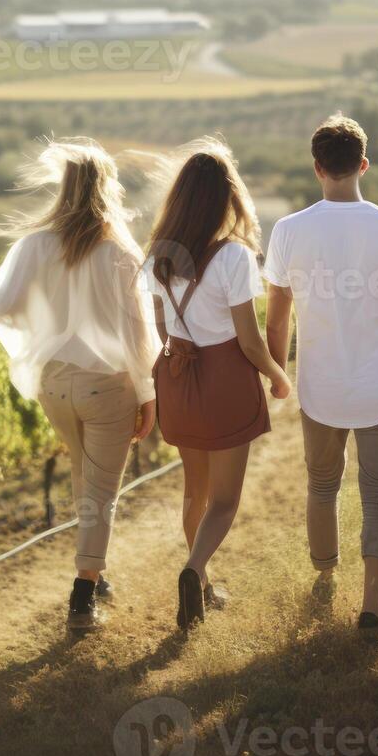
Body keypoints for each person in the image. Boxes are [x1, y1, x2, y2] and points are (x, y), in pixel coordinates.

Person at [263, 113, 378, 637]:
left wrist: (276, 374)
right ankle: (371, 606)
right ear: (363, 164)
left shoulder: (289, 231)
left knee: (322, 485)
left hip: (320, 389)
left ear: (317, 167)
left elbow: (277, 317)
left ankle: (324, 575)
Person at [0, 140, 159, 633]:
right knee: (102, 490)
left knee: (85, 475)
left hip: (54, 384)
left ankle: (94, 575)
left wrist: (42, 328)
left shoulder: (34, 245)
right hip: (107, 387)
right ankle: (83, 595)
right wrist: (148, 395)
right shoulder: (120, 252)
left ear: (64, 188)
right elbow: (139, 332)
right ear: (108, 189)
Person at [142, 140, 292, 632]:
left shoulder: (158, 256)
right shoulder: (234, 257)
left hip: (179, 379)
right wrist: (277, 374)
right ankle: (194, 571)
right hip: (225, 379)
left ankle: (201, 583)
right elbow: (249, 341)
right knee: (225, 500)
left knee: (196, 491)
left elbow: (163, 330)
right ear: (227, 198)